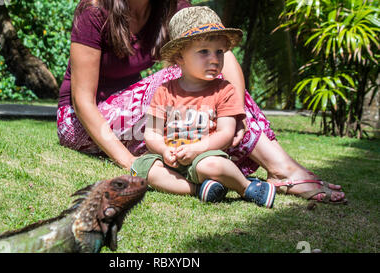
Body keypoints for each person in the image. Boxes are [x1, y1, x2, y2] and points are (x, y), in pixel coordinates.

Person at [57, 0, 346, 204]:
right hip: (80, 120)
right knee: (180, 76)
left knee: (209, 77)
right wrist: (129, 161)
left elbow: (218, 50)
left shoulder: (170, 5)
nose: (215, 56)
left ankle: (280, 167)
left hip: (133, 116)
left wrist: (238, 116)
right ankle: (283, 170)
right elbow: (82, 102)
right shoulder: (95, 11)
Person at [130, 6, 276, 207]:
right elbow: (152, 133)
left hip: (205, 156)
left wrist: (196, 150)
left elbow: (226, 134)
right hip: (171, 159)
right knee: (142, 168)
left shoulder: (224, 90)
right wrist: (164, 150)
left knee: (214, 164)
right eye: (204, 52)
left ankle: (247, 188)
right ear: (180, 57)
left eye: (219, 52)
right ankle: (200, 190)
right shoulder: (164, 91)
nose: (214, 59)